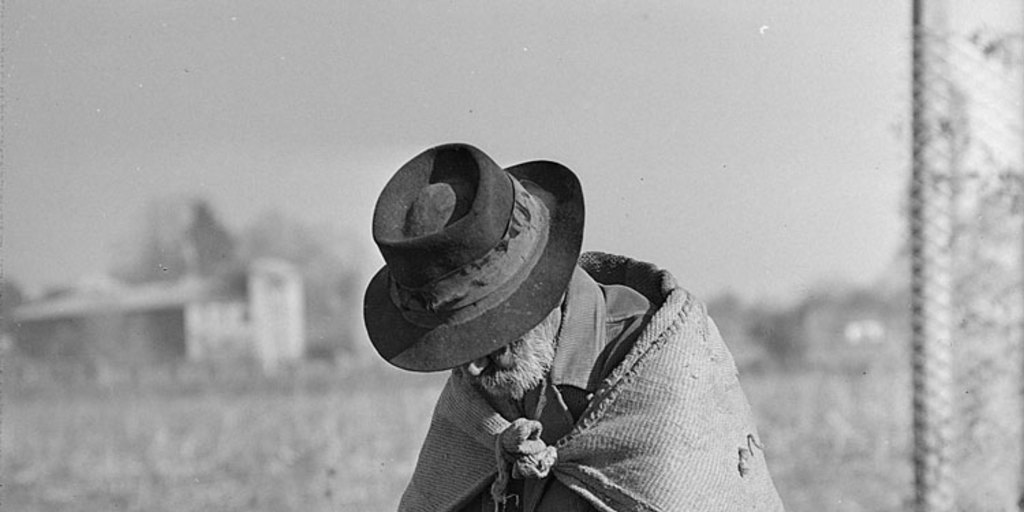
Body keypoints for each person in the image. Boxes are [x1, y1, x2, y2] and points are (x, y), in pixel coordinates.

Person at [364, 143, 784, 512]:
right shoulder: (484, 385)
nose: (470, 371)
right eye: (459, 343)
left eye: (487, 335)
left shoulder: (664, 372)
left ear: (536, 293)